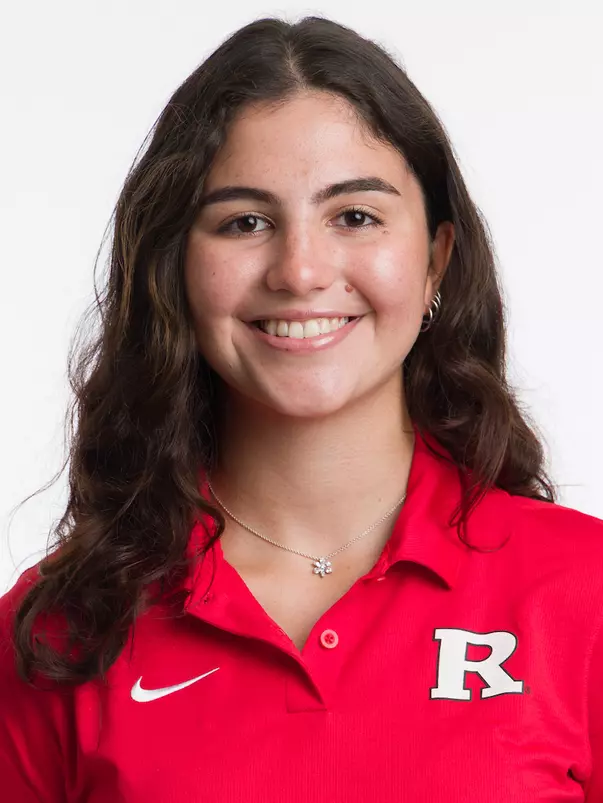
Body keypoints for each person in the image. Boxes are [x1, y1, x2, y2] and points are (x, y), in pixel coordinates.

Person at [1, 13, 602, 803]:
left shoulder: (582, 591)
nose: (301, 269)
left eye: (354, 216)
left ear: (435, 262)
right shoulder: (59, 631)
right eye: (244, 221)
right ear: (174, 267)